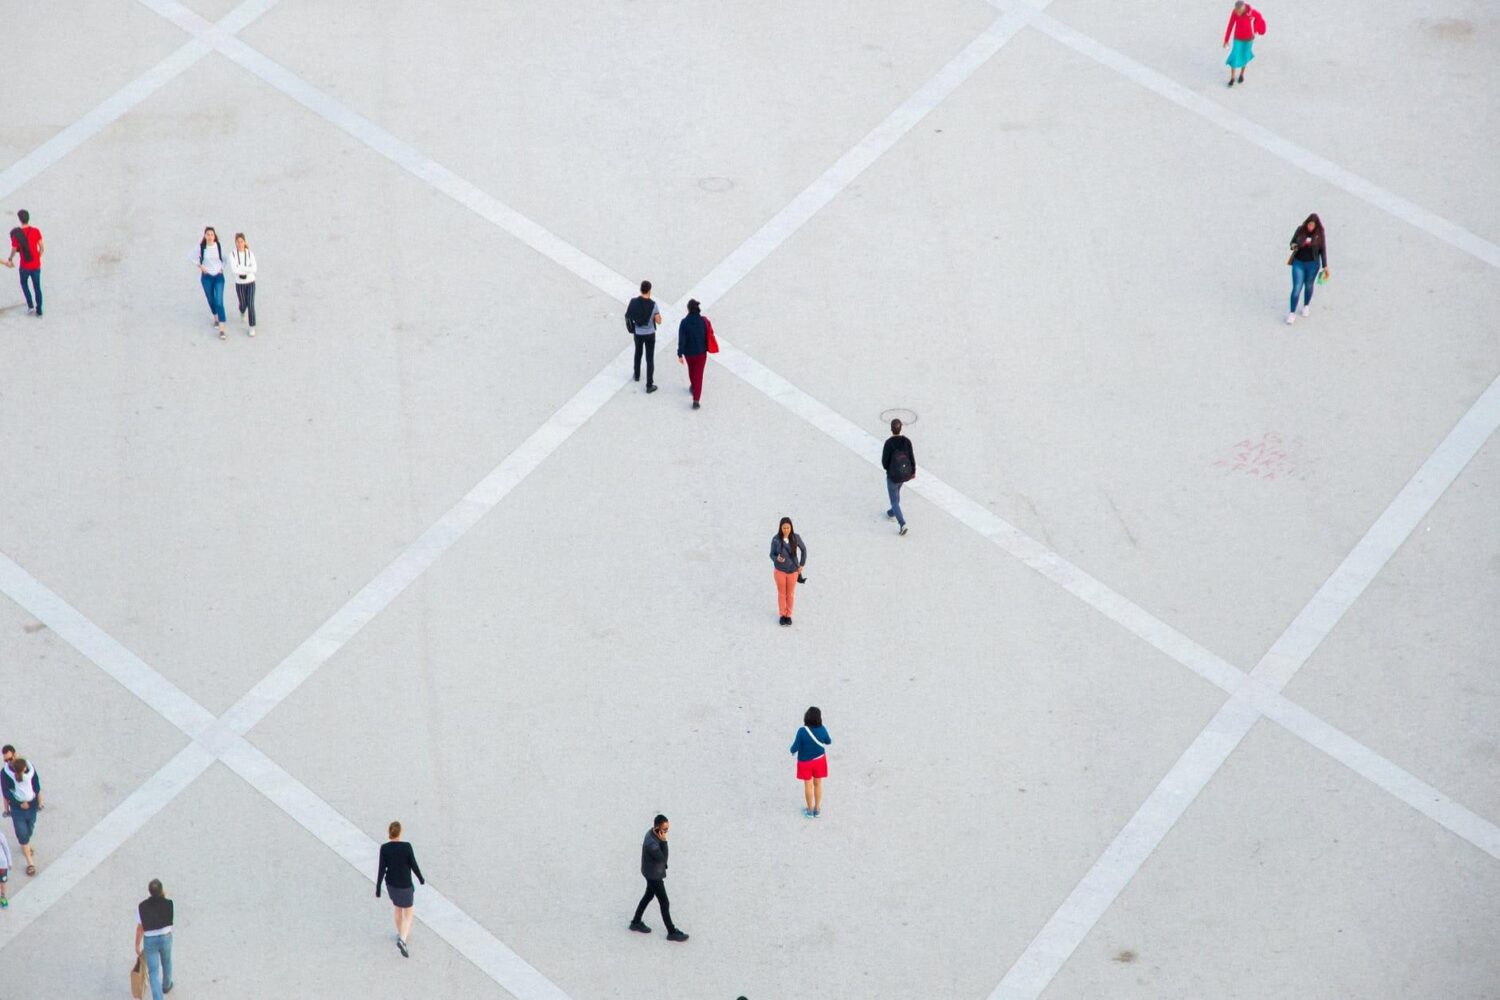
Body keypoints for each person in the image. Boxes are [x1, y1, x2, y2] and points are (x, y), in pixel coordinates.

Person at [629, 814, 688, 941]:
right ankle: (671, 931)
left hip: (649, 872)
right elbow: (663, 859)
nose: (666, 832)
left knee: (649, 895)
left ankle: (636, 922)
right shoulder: (652, 845)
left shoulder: (650, 833)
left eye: (667, 829)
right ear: (657, 828)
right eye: (664, 830)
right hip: (653, 875)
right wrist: (664, 842)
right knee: (664, 902)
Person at [376, 820, 425, 957]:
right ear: (400, 832)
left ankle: (400, 933)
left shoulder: (384, 848)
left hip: (391, 885)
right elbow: (413, 865)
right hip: (405, 885)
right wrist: (420, 878)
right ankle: (403, 939)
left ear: (389, 833)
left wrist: (378, 887)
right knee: (409, 912)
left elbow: (381, 869)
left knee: (398, 907)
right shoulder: (406, 847)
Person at [789, 706, 833, 818]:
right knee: (818, 784)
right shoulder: (822, 729)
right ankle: (817, 809)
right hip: (819, 761)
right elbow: (828, 741)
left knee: (808, 785)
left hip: (805, 763)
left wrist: (792, 751)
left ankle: (809, 810)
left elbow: (794, 747)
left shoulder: (802, 731)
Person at [134, 878, 174, 1000]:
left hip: (150, 940)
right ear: (161, 890)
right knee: (166, 961)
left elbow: (140, 928)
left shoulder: (142, 907)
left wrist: (137, 945)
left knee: (153, 971)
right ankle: (166, 985)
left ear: (149, 891)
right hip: (166, 937)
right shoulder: (169, 903)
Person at [1286, 213, 1329, 325]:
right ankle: (1292, 313)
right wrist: (1294, 246)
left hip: (1313, 264)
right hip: (1298, 263)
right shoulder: (1300, 230)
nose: (1310, 227)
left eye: (1312, 225)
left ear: (1316, 225)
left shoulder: (1320, 234)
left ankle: (1306, 305)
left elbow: (1323, 250)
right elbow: (1292, 243)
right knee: (1296, 287)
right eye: (1309, 224)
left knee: (1309, 285)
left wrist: (1325, 266)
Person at [2, 756, 41, 876]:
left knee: (30, 828)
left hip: (32, 806)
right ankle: (30, 863)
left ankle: (26, 844)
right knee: (22, 832)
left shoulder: (19, 776)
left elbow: (37, 786)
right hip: (17, 808)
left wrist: (39, 803)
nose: (8, 762)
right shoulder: (22, 774)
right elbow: (6, 792)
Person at [625, 280, 662, 393]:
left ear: (641, 289)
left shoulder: (633, 302)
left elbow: (629, 315)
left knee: (638, 353)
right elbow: (658, 321)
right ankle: (649, 385)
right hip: (650, 334)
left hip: (638, 333)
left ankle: (637, 375)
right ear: (649, 290)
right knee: (649, 358)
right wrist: (657, 317)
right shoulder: (653, 305)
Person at [881, 418, 916, 535]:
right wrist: (912, 472)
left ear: (891, 429)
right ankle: (891, 513)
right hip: (904, 474)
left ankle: (902, 524)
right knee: (897, 494)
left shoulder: (888, 443)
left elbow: (884, 462)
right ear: (901, 428)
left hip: (893, 476)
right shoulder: (907, 442)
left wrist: (889, 470)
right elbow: (911, 457)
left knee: (894, 500)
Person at [770, 516, 807, 627]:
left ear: (791, 527)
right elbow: (771, 554)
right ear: (780, 528)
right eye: (784, 528)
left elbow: (804, 550)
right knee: (782, 593)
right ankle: (782, 615)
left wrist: (802, 564)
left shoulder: (796, 538)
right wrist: (776, 558)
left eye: (788, 527)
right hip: (780, 571)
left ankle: (788, 615)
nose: (786, 530)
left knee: (790, 594)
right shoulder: (776, 539)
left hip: (793, 571)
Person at [5, 211, 43, 316]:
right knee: (37, 287)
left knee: (24, 284)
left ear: (20, 220)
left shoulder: (16, 234)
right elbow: (42, 247)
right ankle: (39, 309)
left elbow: (14, 249)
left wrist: (10, 258)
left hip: (24, 266)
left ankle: (30, 306)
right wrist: (38, 256)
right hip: (36, 265)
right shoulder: (36, 231)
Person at [677, 299, 709, 409]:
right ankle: (696, 400)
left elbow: (682, 339)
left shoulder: (684, 322)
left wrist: (680, 354)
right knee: (699, 376)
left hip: (689, 353)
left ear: (688, 309)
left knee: (691, 370)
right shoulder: (703, 321)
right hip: (701, 352)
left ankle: (693, 386)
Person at [196, 227, 227, 339]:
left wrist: (222, 268)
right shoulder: (201, 247)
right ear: (205, 236)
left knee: (219, 301)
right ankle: (216, 317)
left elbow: (225, 258)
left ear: (214, 236)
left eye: (211, 234)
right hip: (206, 277)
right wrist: (200, 266)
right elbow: (191, 257)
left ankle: (222, 329)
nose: (209, 236)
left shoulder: (218, 246)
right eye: (208, 234)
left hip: (218, 277)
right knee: (210, 298)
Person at [1222, 1, 1262, 87]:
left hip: (1249, 38)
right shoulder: (1234, 13)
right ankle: (1232, 78)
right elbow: (1230, 25)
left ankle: (1241, 74)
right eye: (1236, 11)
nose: (1237, 13)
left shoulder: (1251, 13)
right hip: (1238, 38)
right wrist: (1226, 39)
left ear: (1243, 9)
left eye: (1239, 12)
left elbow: (1259, 19)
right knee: (1235, 55)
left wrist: (1257, 30)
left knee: (1245, 55)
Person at [231, 232, 257, 336]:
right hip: (239, 283)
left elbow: (254, 269)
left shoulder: (250, 254)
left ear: (245, 242)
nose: (240, 244)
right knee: (243, 303)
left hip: (250, 282)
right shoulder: (232, 254)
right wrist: (247, 269)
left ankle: (252, 326)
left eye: (241, 241)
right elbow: (234, 270)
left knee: (250, 304)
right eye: (237, 242)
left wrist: (240, 268)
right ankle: (242, 311)